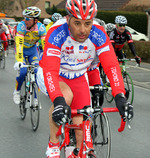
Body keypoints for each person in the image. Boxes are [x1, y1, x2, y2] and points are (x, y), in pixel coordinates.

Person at [37, 0, 133, 157]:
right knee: (65, 97)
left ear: (92, 21)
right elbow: (51, 70)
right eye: (77, 23)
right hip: (53, 73)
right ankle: (53, 143)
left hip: (78, 75)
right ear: (68, 19)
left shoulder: (98, 32)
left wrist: (120, 96)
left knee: (83, 127)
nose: (82, 30)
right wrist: (58, 101)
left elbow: (111, 66)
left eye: (87, 23)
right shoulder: (56, 32)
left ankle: (73, 151)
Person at [13, 6, 46, 105]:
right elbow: (19, 44)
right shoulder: (21, 26)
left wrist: (46, 62)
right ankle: (17, 91)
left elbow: (45, 46)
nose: (25, 20)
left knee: (37, 73)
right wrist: (19, 60)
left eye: (28, 18)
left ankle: (35, 99)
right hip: (21, 50)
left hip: (33, 51)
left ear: (35, 20)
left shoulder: (41, 28)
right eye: (24, 18)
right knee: (22, 71)